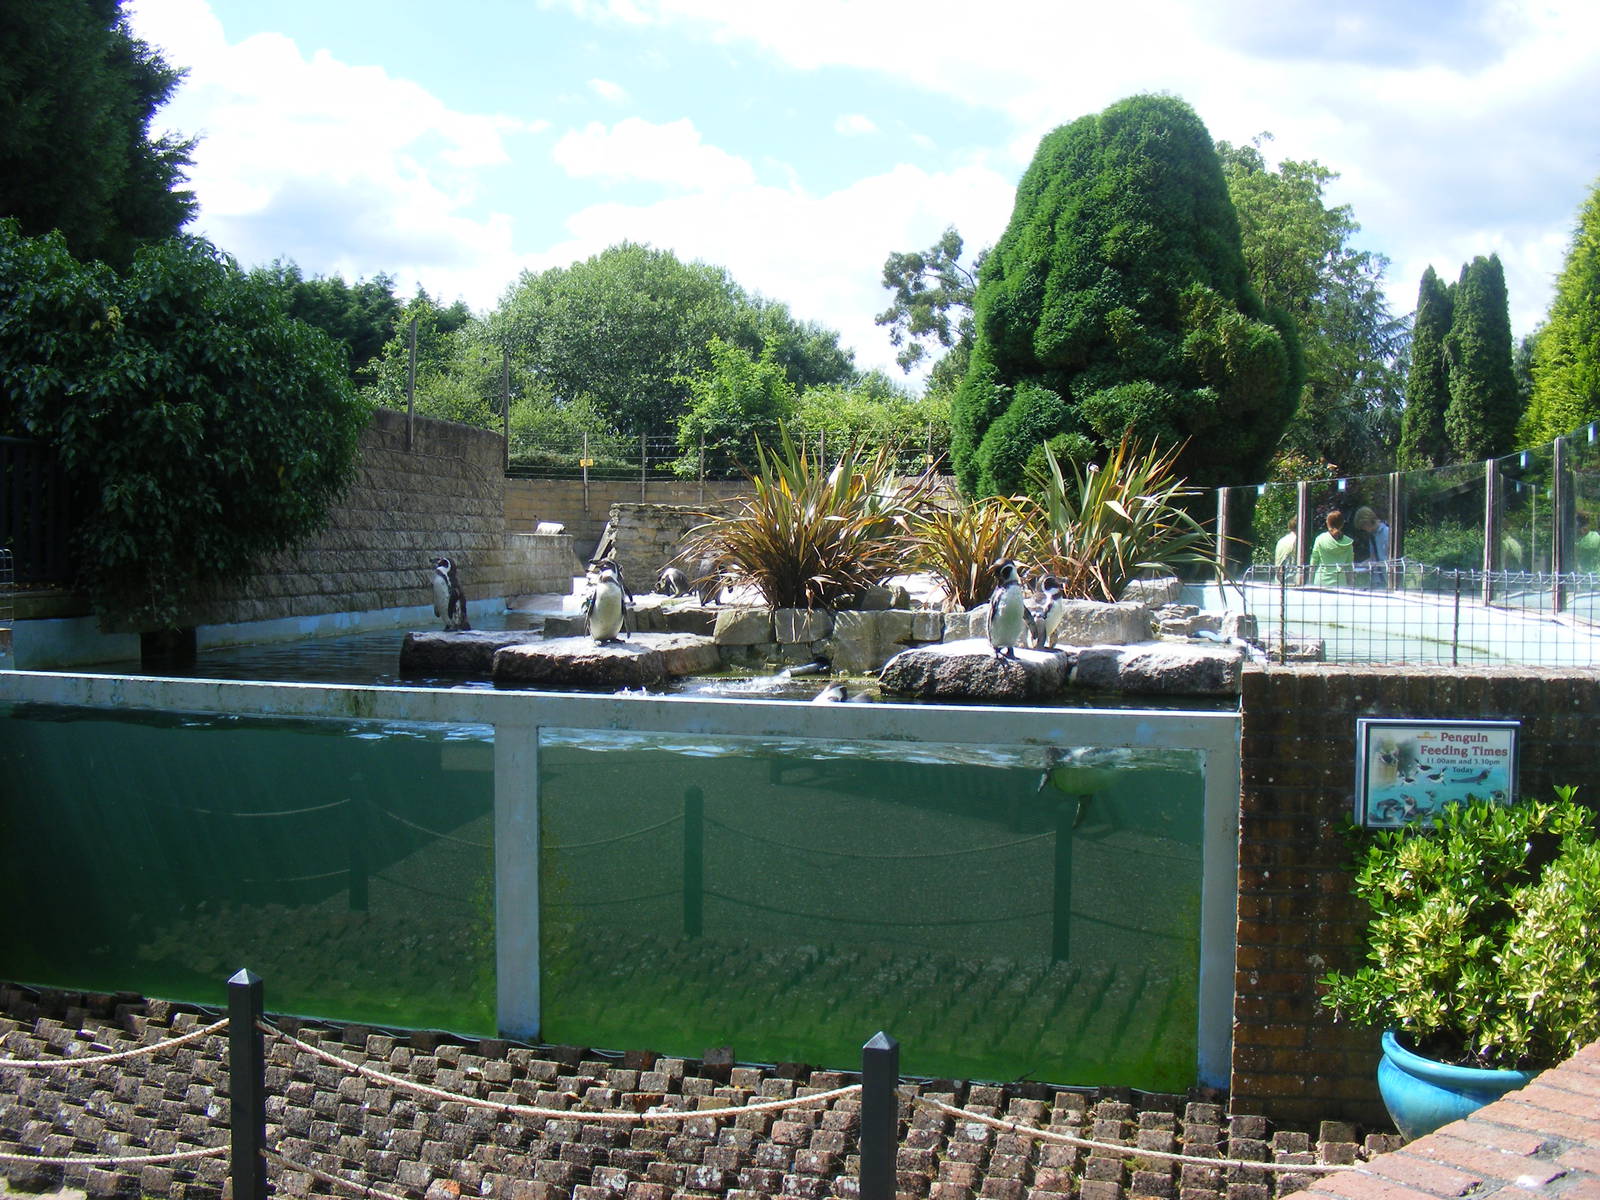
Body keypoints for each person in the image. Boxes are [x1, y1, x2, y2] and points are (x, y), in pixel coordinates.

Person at [1310, 509, 1355, 587]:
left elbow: (1313, 563)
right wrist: (1351, 585)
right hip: (1340, 583)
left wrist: (1309, 582)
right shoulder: (1348, 542)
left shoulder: (1320, 539)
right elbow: (1349, 567)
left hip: (1321, 582)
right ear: (1342, 524)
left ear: (1328, 523)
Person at [1351, 506, 1390, 586]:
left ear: (1367, 522)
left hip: (1389, 578)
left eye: (1363, 527)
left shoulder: (1387, 533)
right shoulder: (1372, 536)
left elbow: (1390, 558)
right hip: (1377, 581)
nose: (1364, 530)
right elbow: (1373, 558)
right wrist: (1359, 566)